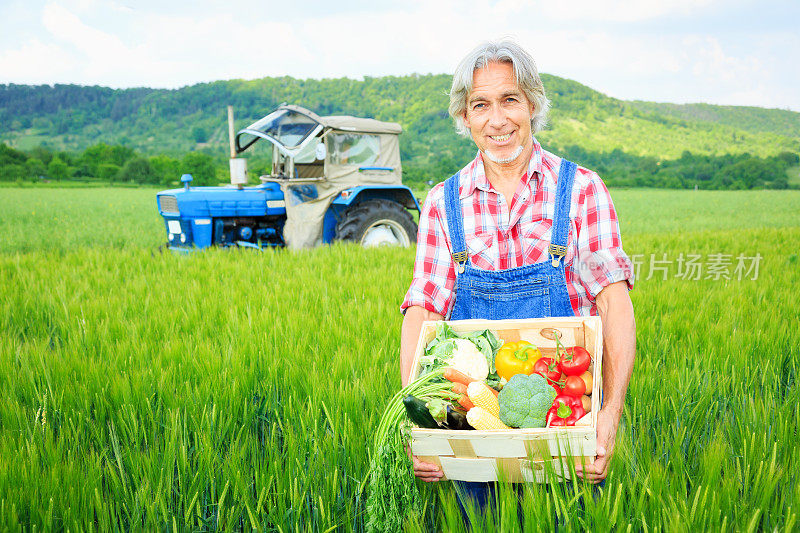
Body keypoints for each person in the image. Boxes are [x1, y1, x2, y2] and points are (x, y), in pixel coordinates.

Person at [399, 40, 637, 492]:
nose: (497, 119)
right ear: (464, 117)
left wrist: (610, 413)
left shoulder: (583, 190)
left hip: (568, 427)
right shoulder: (441, 203)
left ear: (532, 103)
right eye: (480, 105)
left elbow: (613, 303)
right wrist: (420, 422)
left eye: (510, 99)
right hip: (472, 436)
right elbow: (423, 311)